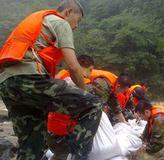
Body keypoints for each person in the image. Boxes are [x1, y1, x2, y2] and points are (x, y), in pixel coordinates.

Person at [0, 1, 103, 159]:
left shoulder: (40, 22)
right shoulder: (61, 22)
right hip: (29, 80)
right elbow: (73, 67)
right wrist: (84, 92)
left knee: (31, 145)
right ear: (68, 12)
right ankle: (76, 157)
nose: (76, 26)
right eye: (78, 21)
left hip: (8, 85)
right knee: (92, 104)